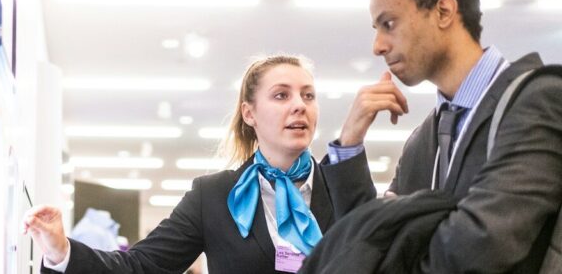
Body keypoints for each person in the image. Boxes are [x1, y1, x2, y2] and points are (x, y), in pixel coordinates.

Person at [23, 55, 376, 274]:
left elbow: (378, 257)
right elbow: (141, 266)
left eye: (308, 95)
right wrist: (60, 250)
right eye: (281, 95)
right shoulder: (215, 197)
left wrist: (352, 144)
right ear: (249, 113)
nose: (299, 105)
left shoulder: (341, 184)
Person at [336, 0, 562, 271]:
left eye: (389, 24)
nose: (378, 46)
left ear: (443, 11)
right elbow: (363, 249)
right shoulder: (421, 143)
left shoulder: (537, 101)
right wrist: (349, 145)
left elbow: (480, 246)